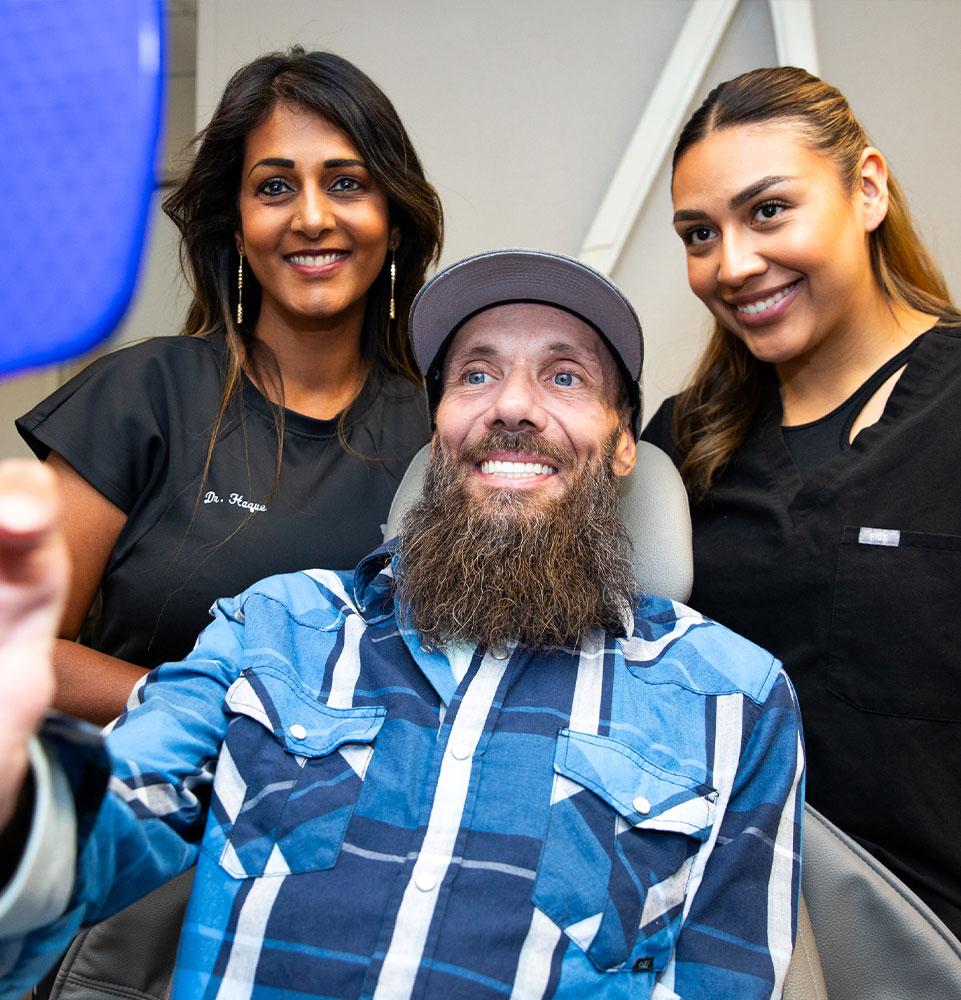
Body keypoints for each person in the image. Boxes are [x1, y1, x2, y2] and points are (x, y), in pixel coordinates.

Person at [0, 249, 803, 1000]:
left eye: (564, 377)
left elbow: (723, 980)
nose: (511, 406)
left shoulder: (734, 700)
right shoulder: (275, 626)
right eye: (476, 374)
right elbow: (102, 828)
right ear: (438, 432)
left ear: (624, 443)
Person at [16, 46, 443, 728]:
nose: (311, 217)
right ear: (238, 230)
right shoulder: (144, 393)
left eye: (346, 183)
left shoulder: (440, 436)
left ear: (393, 224)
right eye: (274, 187)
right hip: (146, 782)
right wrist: (221, 710)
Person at [643, 65, 961, 937]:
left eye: (768, 210)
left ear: (867, 190)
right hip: (725, 939)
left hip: (927, 949)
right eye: (698, 234)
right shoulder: (680, 444)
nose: (732, 265)